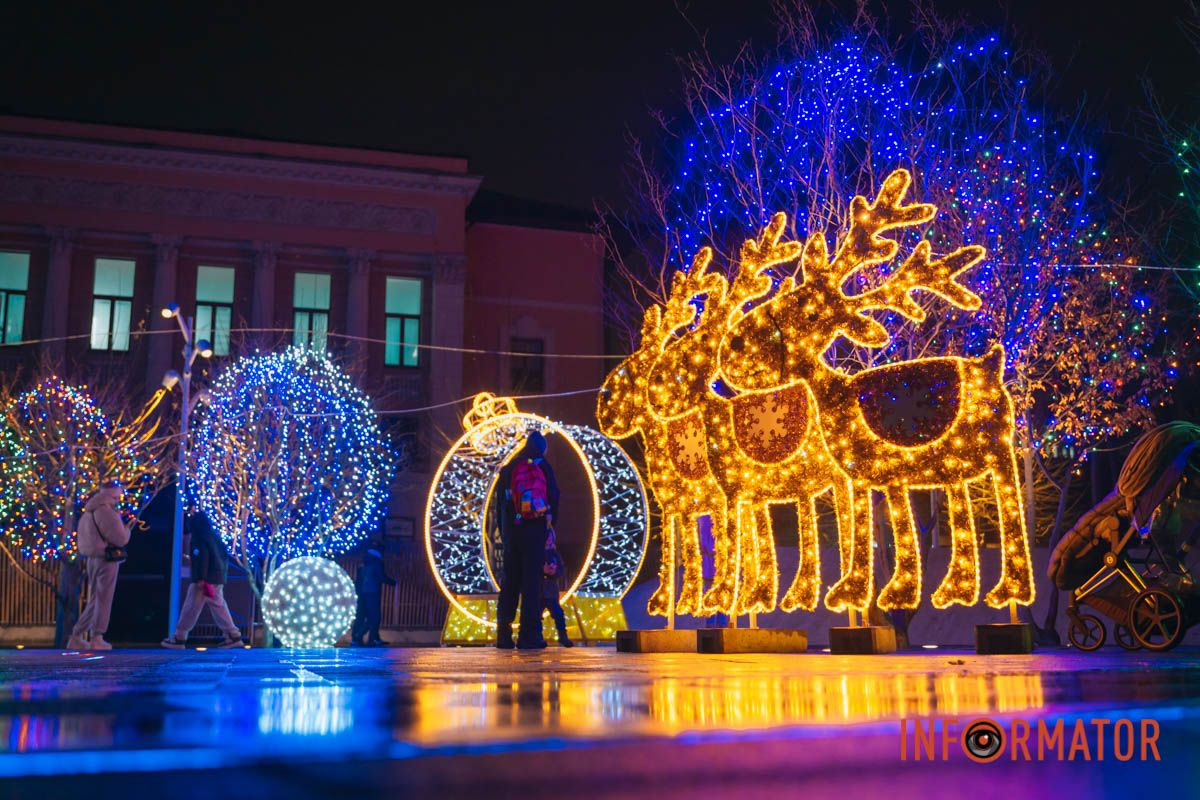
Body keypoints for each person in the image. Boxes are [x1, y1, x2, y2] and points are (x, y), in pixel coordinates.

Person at [494, 430, 560, 650]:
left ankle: (503, 633)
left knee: (510, 580)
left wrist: (504, 531)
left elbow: (498, 505)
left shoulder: (509, 467)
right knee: (532, 583)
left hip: (512, 532)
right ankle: (529, 635)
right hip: (534, 531)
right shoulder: (543, 466)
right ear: (542, 448)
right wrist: (549, 527)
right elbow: (555, 497)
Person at [161, 506, 243, 649]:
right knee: (219, 607)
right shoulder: (214, 537)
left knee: (191, 607)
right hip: (216, 578)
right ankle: (233, 635)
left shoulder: (198, 538)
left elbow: (201, 558)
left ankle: (179, 637)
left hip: (205, 580)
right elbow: (223, 557)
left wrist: (201, 578)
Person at [67, 480, 132, 650]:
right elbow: (120, 538)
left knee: (95, 598)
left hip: (92, 558)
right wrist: (127, 529)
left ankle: (77, 635)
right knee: (104, 598)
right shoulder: (106, 511)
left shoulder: (89, 510)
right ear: (114, 492)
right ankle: (97, 636)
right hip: (106, 558)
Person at [350, 539, 395, 646]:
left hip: (361, 593)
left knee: (361, 615)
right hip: (373, 592)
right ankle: (366, 638)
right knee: (374, 617)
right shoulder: (377, 562)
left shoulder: (363, 562)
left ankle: (358, 638)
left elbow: (358, 580)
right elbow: (381, 576)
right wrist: (393, 582)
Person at [542, 528, 573, 647]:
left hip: (551, 592)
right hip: (539, 591)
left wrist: (554, 572)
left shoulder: (555, 554)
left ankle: (563, 636)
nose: (548, 539)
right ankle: (538, 637)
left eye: (550, 537)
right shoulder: (536, 552)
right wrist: (543, 571)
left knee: (558, 613)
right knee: (536, 615)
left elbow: (561, 569)